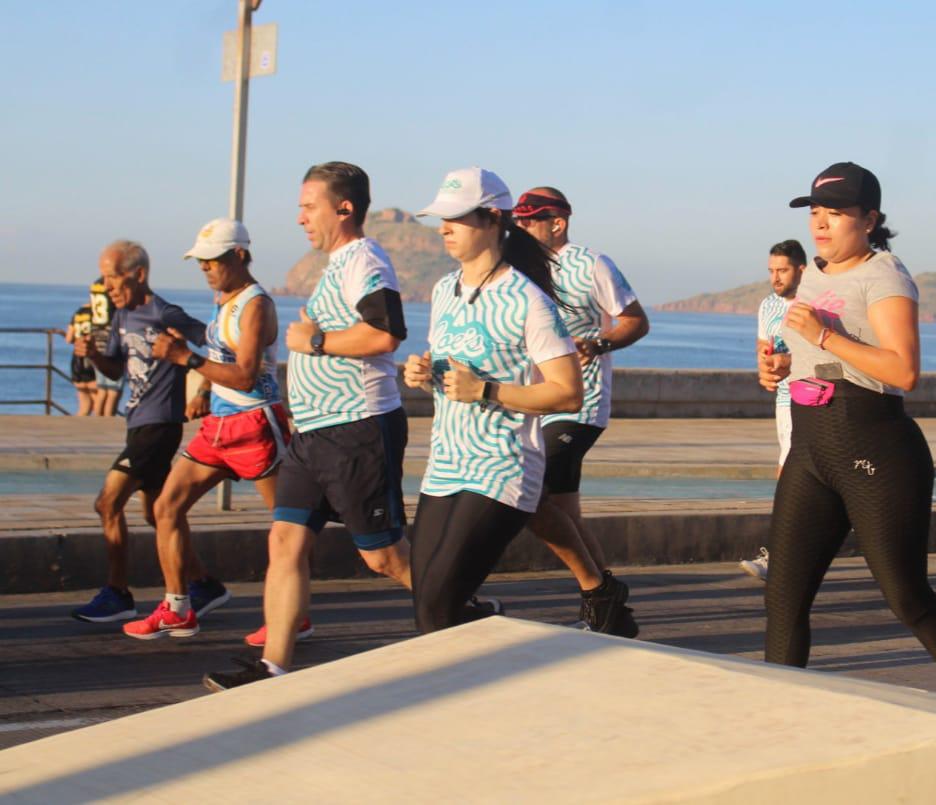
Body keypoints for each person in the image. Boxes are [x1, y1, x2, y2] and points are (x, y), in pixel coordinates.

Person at [761, 162, 936, 702]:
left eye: (835, 213)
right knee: (782, 596)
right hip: (810, 446)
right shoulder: (813, 273)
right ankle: (781, 711)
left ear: (869, 219)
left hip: (874, 447)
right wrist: (783, 366)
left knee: (905, 595)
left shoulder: (885, 275)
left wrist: (822, 337)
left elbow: (903, 370)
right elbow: (821, 359)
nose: (821, 224)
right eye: (815, 213)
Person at [204, 162, 414, 690]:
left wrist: (314, 342)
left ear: (343, 208)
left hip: (357, 427)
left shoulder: (364, 259)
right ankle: (272, 665)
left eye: (308, 206)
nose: (300, 217)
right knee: (284, 542)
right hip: (313, 433)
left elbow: (386, 333)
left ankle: (465, 610)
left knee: (384, 557)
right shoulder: (337, 264)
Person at [405, 167, 583, 635]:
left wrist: (488, 390)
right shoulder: (444, 290)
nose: (443, 228)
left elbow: (569, 391)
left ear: (493, 219)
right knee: (428, 606)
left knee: (436, 611)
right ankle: (488, 633)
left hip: (501, 467)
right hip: (445, 463)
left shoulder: (528, 300)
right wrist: (423, 374)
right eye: (441, 218)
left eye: (456, 217)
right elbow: (451, 374)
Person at [122, 219, 291, 641]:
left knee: (288, 525)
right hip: (218, 427)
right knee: (166, 507)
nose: (205, 268)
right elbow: (221, 355)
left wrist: (186, 358)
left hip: (255, 424)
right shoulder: (223, 298)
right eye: (200, 262)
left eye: (212, 261)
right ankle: (178, 608)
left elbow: (247, 375)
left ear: (239, 255)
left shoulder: (256, 305)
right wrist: (203, 390)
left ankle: (293, 616)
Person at [513, 187, 648, 635]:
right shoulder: (519, 267)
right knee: (565, 512)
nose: (521, 226)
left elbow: (636, 320)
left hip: (579, 403)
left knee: (532, 493)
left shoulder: (591, 264)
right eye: (518, 219)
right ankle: (609, 606)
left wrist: (598, 343)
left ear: (558, 223)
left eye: (531, 219)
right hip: (536, 402)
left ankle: (601, 595)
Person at [71, 241, 228, 623]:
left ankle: (118, 593)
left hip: (160, 426)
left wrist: (204, 389)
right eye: (104, 278)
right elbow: (115, 370)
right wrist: (93, 354)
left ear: (138, 275)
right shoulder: (122, 316)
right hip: (137, 423)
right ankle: (204, 583)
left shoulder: (164, 313)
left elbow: (217, 344)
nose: (106, 286)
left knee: (107, 503)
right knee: (159, 514)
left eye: (113, 277)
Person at [742, 239, 806, 581]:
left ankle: (779, 556)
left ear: (801, 270)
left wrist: (791, 360)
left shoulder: (813, 303)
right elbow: (762, 347)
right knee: (790, 475)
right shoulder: (768, 305)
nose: (775, 278)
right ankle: (784, 557)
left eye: (782, 270)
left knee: (791, 476)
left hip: (814, 397)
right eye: (771, 271)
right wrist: (765, 366)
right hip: (784, 400)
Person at [88, 273, 123, 416]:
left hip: (97, 334)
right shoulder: (112, 283)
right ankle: (108, 420)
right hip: (111, 334)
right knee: (113, 390)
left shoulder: (95, 284)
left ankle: (98, 420)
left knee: (102, 388)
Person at [66, 302, 97, 415]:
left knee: (84, 406)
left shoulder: (78, 313)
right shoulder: (98, 315)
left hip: (77, 359)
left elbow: (69, 339)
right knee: (98, 403)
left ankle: (76, 425)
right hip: (92, 358)